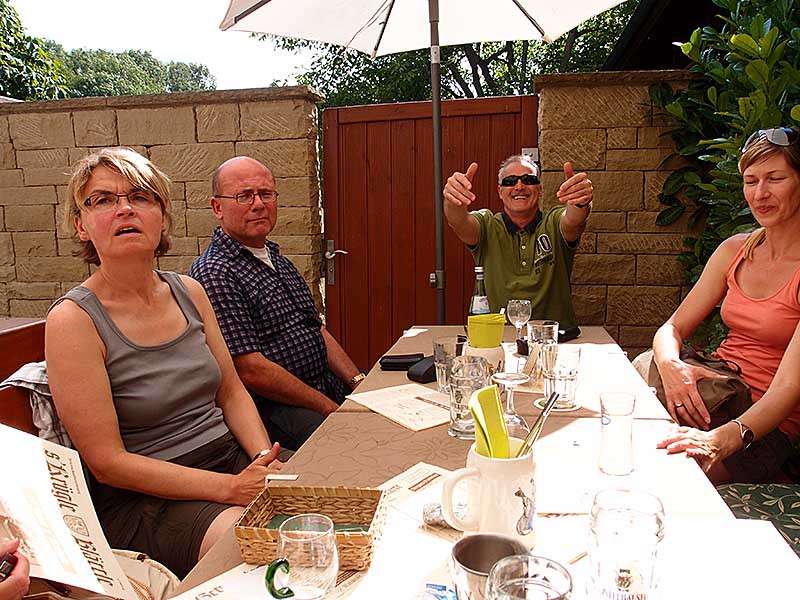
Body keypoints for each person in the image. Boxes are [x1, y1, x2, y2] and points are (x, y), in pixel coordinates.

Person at [46, 148, 283, 578]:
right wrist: (232, 489)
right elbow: (107, 462)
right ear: (81, 225)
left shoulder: (189, 291)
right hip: (147, 499)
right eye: (103, 200)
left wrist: (264, 459)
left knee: (330, 497)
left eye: (140, 196)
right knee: (256, 543)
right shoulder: (73, 320)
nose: (125, 209)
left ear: (162, 216)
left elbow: (231, 391)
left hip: (229, 459)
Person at [652, 126, 800, 484]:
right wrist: (672, 366)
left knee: (669, 477)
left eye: (775, 179)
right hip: (717, 392)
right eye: (751, 181)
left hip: (764, 426)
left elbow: (787, 389)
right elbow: (672, 328)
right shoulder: (735, 250)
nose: (760, 194)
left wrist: (718, 441)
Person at [189, 156, 363, 451]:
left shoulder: (277, 259)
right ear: (217, 207)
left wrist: (358, 382)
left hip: (323, 388)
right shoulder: (215, 272)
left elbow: (315, 328)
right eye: (244, 196)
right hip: (277, 409)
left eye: (266, 193)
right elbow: (250, 369)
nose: (258, 204)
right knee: (352, 446)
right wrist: (330, 408)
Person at [443, 155, 594, 326]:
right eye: (510, 181)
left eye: (528, 180)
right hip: (498, 336)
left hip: (554, 336)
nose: (519, 186)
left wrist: (580, 201)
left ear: (540, 189)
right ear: (500, 191)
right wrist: (453, 200)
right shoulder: (487, 224)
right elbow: (458, 221)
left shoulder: (553, 222)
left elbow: (575, 219)